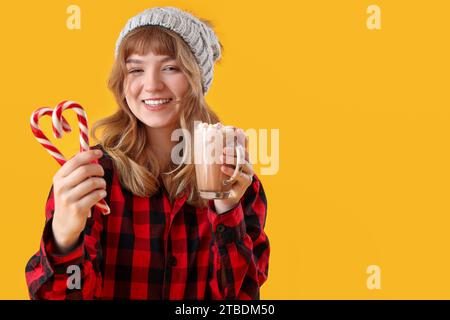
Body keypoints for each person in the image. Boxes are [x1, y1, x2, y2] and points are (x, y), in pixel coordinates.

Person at [25, 6, 269, 300]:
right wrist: (64, 236)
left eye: (170, 67)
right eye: (136, 69)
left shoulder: (237, 183)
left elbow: (242, 299)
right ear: (122, 81)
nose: (152, 85)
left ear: (197, 80)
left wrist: (227, 211)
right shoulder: (91, 177)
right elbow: (62, 296)